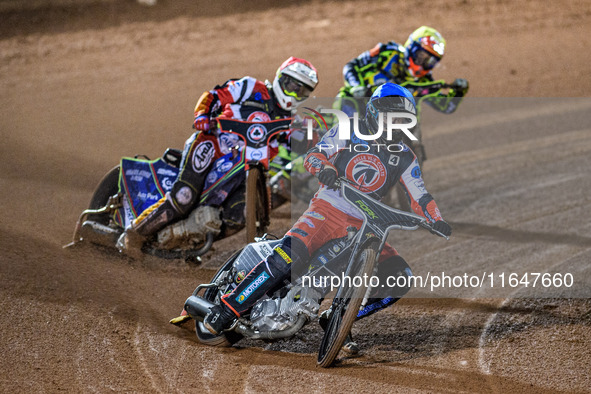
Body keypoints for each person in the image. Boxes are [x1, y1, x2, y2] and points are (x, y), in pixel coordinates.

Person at [203, 83, 452, 353]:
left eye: (403, 121)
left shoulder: (405, 156)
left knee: (399, 277)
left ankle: (338, 317)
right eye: (391, 119)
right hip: (328, 209)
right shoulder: (349, 130)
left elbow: (421, 196)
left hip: (370, 224)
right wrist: (324, 167)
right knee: (290, 257)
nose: (396, 126)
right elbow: (316, 153)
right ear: (374, 113)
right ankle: (228, 308)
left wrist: (436, 219)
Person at [117, 57, 319, 254]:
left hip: (245, 170)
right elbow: (215, 95)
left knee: (238, 216)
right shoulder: (251, 87)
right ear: (280, 78)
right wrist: (202, 115)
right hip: (213, 144)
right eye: (292, 86)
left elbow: (308, 142)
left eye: (302, 91)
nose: (294, 93)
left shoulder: (293, 120)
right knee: (184, 196)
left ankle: (194, 239)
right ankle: (132, 235)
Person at [336, 26, 469, 160]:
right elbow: (351, 66)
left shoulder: (424, 82)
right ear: (411, 47)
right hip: (358, 103)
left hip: (390, 125)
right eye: (421, 56)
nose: (423, 63)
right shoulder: (387, 52)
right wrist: (356, 87)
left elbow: (446, 106)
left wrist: (459, 91)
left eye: (430, 61)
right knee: (348, 119)